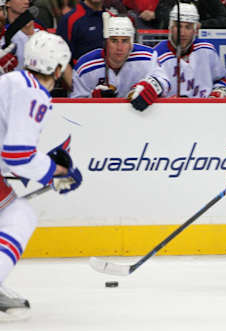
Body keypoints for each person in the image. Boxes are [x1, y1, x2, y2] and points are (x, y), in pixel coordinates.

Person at [0, 31, 82, 321]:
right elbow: (17, 155)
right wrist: (55, 173)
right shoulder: (32, 92)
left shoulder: (12, 81)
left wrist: (48, 167)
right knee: (19, 215)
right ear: (57, 68)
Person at [70, 13, 171, 111]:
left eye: (124, 41)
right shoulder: (84, 67)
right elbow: (73, 104)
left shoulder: (147, 58)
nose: (119, 48)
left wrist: (152, 86)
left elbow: (164, 81)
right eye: (114, 41)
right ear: (105, 42)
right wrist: (92, 99)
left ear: (131, 43)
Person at [153, 2, 226, 98]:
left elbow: (222, 79)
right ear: (170, 28)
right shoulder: (157, 55)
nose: (182, 33)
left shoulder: (206, 50)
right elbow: (153, 86)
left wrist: (218, 91)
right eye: (178, 26)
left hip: (203, 110)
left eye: (188, 27)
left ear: (195, 30)